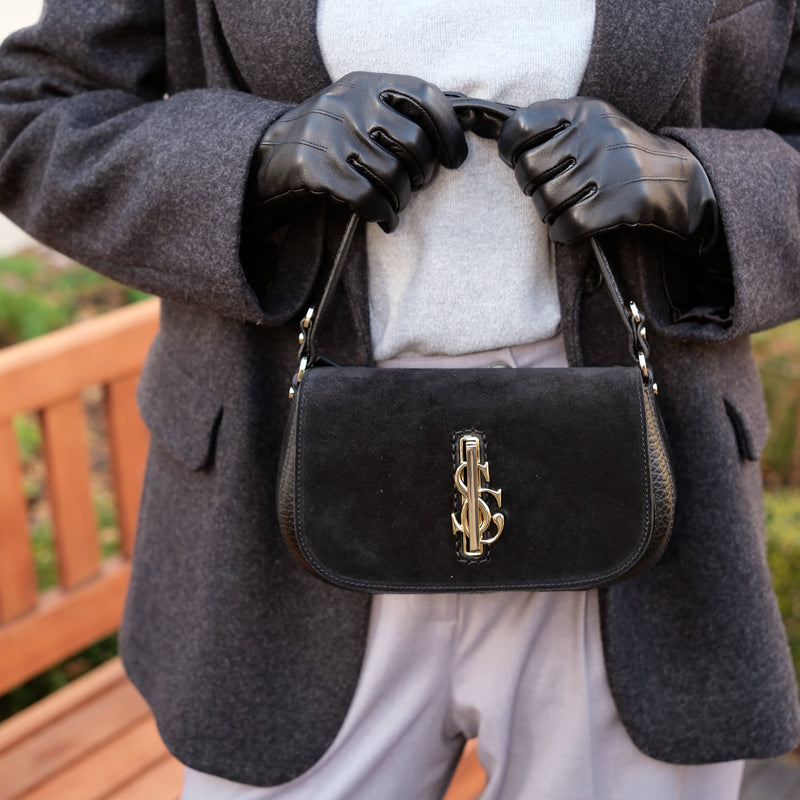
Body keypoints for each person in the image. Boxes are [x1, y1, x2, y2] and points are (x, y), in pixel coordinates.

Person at [1, 1, 799, 797]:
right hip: (283, 498)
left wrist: (700, 189)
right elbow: (31, 111)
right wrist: (254, 159)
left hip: (635, 499)